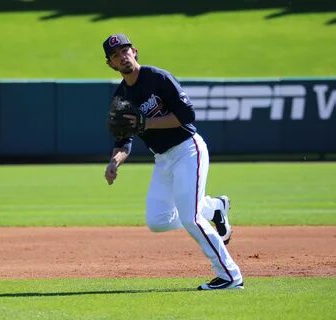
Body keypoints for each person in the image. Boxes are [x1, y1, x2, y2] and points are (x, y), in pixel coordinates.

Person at [103, 33, 243, 290]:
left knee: (190, 218)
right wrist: (115, 162)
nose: (122, 56)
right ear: (111, 64)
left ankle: (230, 276)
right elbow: (123, 140)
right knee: (157, 220)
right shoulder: (121, 97)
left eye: (125, 50)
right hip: (163, 160)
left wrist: (147, 123)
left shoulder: (157, 77)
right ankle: (213, 208)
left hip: (188, 150)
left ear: (135, 51)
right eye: (115, 55)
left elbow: (187, 114)